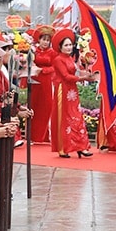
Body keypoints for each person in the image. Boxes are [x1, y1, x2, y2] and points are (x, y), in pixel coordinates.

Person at [49, 29, 92, 158]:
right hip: (63, 90)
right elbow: (66, 76)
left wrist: (86, 72)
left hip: (72, 90)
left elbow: (74, 73)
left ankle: (81, 146)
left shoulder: (70, 58)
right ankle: (63, 148)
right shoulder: (58, 60)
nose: (69, 47)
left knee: (77, 116)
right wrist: (82, 78)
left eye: (70, 45)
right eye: (66, 45)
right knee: (64, 118)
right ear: (60, 47)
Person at [28, 25, 56, 144]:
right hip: (35, 81)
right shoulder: (33, 51)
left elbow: (55, 67)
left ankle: (45, 135)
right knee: (33, 106)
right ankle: (33, 136)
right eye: (43, 39)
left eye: (47, 40)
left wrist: (43, 70)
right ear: (39, 39)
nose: (45, 42)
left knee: (46, 107)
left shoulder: (53, 53)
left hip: (47, 81)